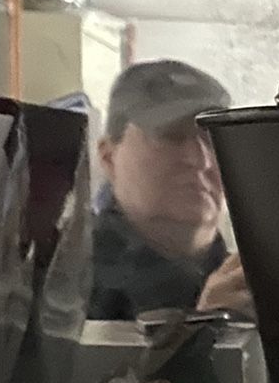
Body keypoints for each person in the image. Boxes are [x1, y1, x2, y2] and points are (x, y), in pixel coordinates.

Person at [89, 60, 252, 321]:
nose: (201, 160)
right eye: (171, 135)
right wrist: (205, 330)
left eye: (213, 138)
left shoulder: (259, 278)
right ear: (109, 156)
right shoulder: (64, 283)